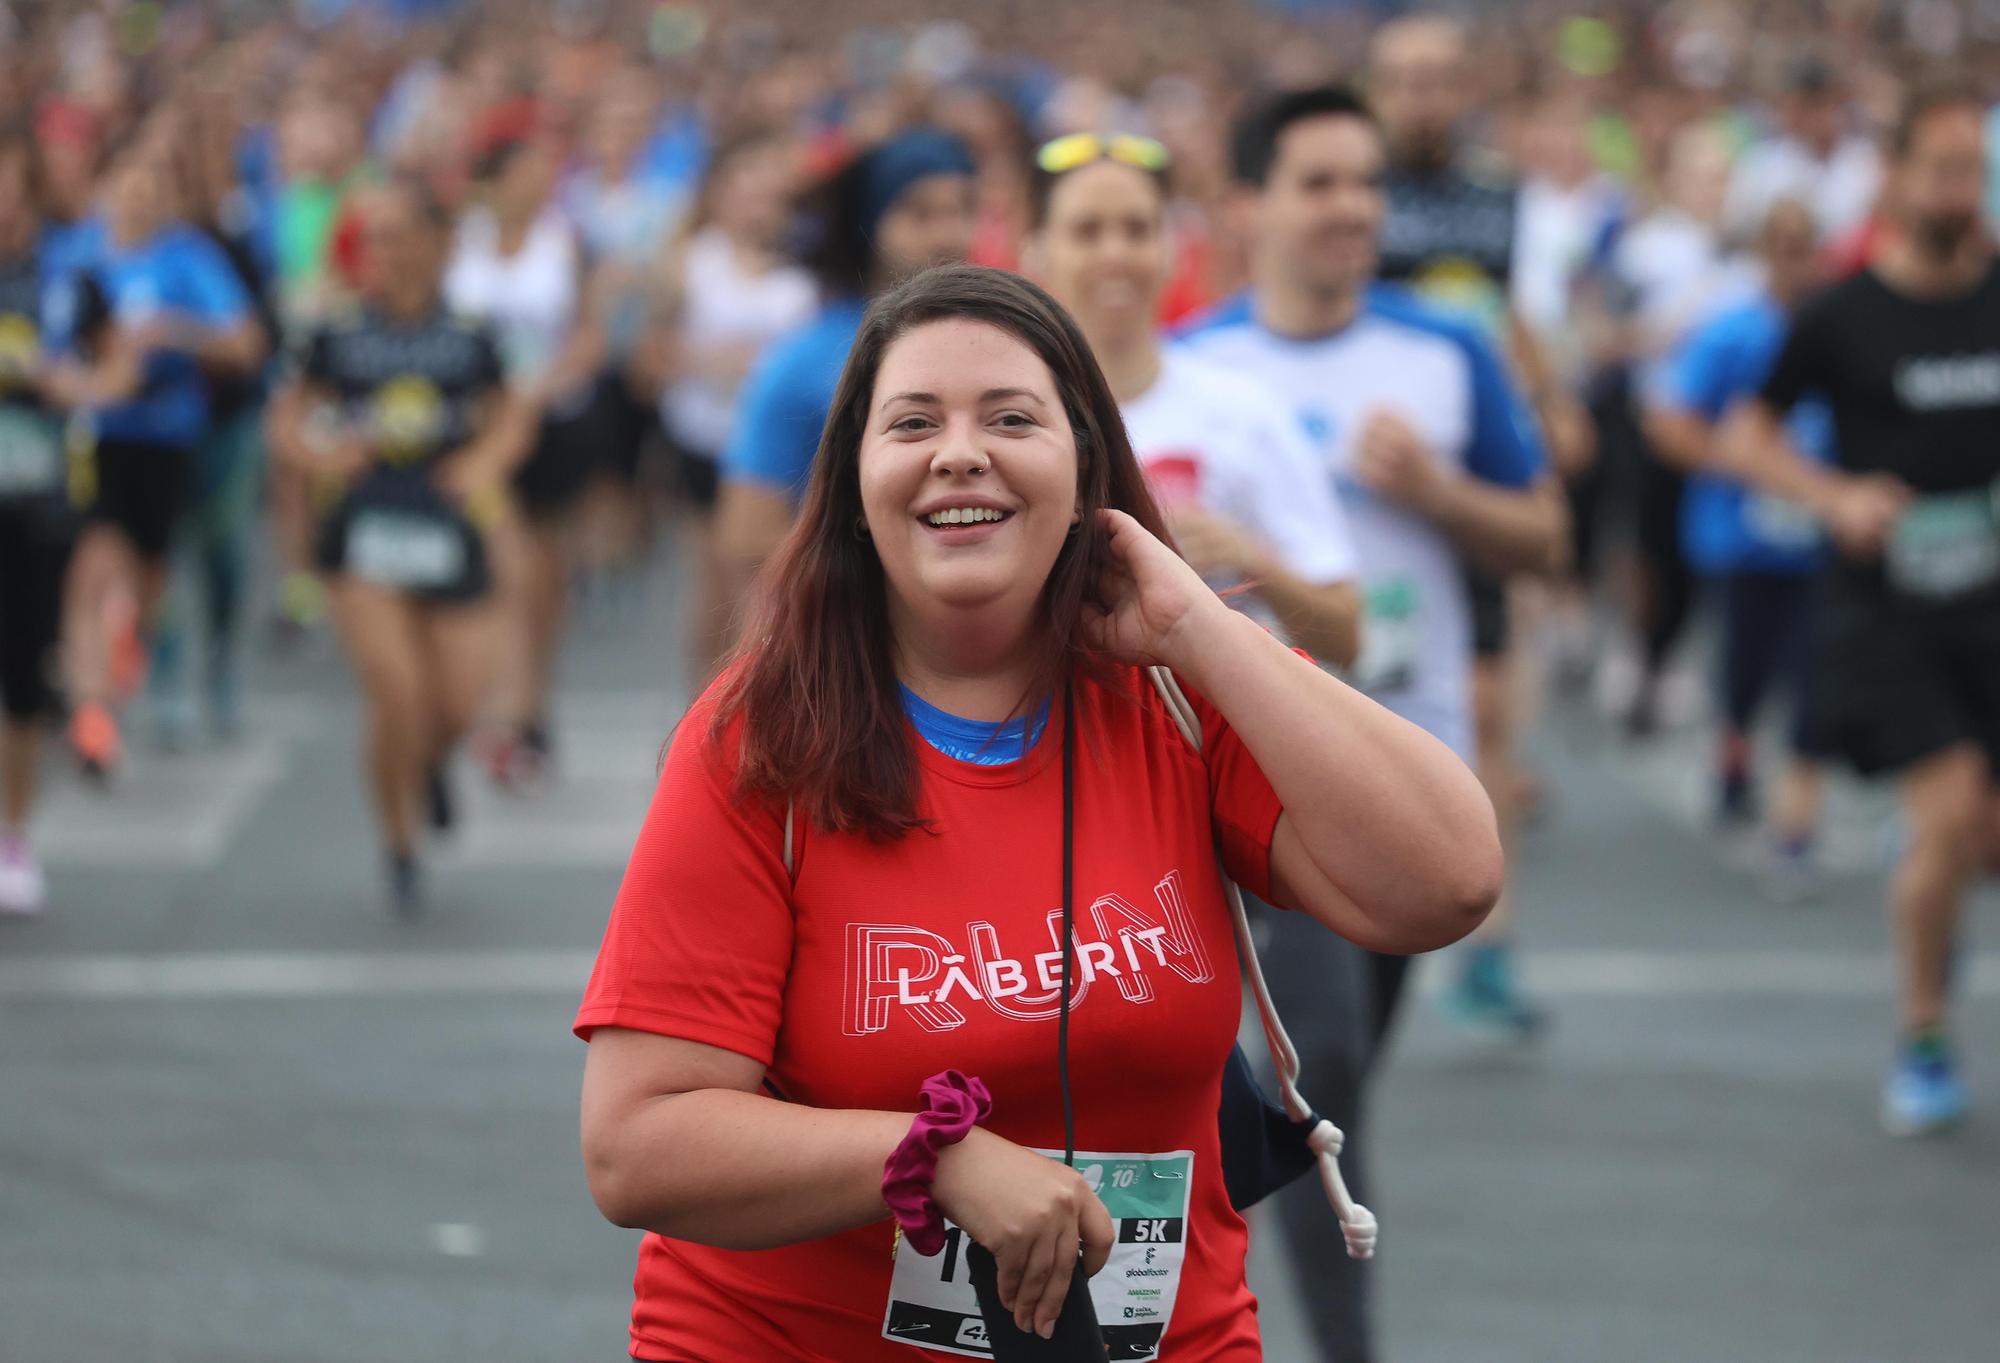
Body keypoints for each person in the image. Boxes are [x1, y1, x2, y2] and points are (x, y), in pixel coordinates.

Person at [576, 262, 1503, 1362]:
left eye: (1010, 418)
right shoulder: (756, 738)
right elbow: (637, 1146)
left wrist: (1200, 628)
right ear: (856, 487)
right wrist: (938, 1158)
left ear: (1085, 473)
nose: (958, 451)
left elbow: (1447, 878)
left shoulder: (1179, 691)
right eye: (911, 421)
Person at [1179, 85, 1564, 1363]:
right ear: (1246, 206)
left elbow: (1548, 535)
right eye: (1317, 182)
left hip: (1414, 764)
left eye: (1363, 182)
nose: (1352, 208)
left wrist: (1436, 491)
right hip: (1262, 787)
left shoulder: (1443, 349)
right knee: (1320, 1060)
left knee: (1338, 1073)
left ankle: (1201, 1204)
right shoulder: (1200, 368)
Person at [1721, 77, 2000, 1136]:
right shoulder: (1841, 313)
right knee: (1949, 800)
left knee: (1977, 832)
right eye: (1938, 169)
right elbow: (1745, 435)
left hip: (1989, 604)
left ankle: (1933, 874)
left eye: (1971, 170)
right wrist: (1832, 494)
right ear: (1890, 176)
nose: (1957, 189)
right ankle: (1922, 1037)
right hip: (1889, 612)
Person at [1367, 14, 1591, 1035]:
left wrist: (1548, 408)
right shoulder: (1344, 192)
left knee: (1487, 711)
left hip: (1469, 488)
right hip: (1361, 489)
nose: (1420, 97)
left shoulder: (1501, 201)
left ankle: (1485, 942)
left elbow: (1509, 323)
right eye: (1402, 80)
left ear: (1462, 90)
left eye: (1436, 79)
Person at [265, 179, 533, 917]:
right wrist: (319, 457)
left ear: (433, 242)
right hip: (366, 529)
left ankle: (429, 766)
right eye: (369, 236)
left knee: (452, 703)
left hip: (449, 527)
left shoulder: (473, 330)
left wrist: (484, 461)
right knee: (397, 692)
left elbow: (513, 412)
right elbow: (286, 417)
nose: (378, 250)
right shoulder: (335, 331)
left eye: (394, 234)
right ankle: (399, 842)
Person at [1022, 130, 1360, 667]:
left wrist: (1250, 560)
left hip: (1210, 742)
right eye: (1087, 231)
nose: (1115, 253)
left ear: (1173, 249)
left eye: (1138, 229)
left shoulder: (1242, 410)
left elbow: (1348, 634)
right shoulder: (1009, 421)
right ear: (1036, 253)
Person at [701, 126, 976, 680]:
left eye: (962, 208)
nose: (949, 232)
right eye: (920, 214)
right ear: (872, 225)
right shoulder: (804, 361)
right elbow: (745, 533)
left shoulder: (999, 343)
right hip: (851, 659)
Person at [43, 138, 263, 780]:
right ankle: (93, 714)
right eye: (127, 181)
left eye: (152, 186)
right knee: (93, 565)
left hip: (166, 440)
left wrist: (176, 331)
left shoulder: (187, 259)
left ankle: (121, 668)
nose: (138, 197)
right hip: (92, 436)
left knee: (145, 580)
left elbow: (246, 343)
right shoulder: (73, 254)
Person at [1645, 197, 1829, 889]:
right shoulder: (1731, 331)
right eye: (1782, 244)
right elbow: (1670, 421)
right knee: (1746, 675)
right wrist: (1750, 465)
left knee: (1815, 682)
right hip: (1742, 537)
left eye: (1805, 244)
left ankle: (1795, 830)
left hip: (1822, 543)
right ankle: (1734, 760)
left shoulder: (1833, 326)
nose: (1795, 259)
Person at [443, 123, 603, 788]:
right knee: (505, 565)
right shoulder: (459, 244)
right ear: (494, 179)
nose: (541, 182)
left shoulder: (564, 242)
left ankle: (533, 704)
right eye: (528, 170)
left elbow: (589, 336)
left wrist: (545, 388)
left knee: (543, 576)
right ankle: (502, 714)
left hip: (552, 424)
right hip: (482, 432)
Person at [639, 127, 817, 683]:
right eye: (749, 189)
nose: (761, 203)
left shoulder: (809, 267)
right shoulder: (688, 262)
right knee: (717, 588)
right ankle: (707, 715)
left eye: (773, 192)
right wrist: (706, 362)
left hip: (788, 453)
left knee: (773, 586)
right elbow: (648, 360)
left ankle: (765, 702)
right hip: (706, 442)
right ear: (721, 193)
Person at [0, 130, 74, 914]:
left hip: (36, 501)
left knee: (23, 678)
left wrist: (63, 380)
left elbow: (115, 362)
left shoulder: (63, 272)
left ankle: (14, 833)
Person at [1722, 54, 1882, 246]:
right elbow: (1737, 229)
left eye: (1814, 105)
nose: (1802, 117)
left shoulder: (1867, 163)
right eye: (1796, 107)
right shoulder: (1763, 164)